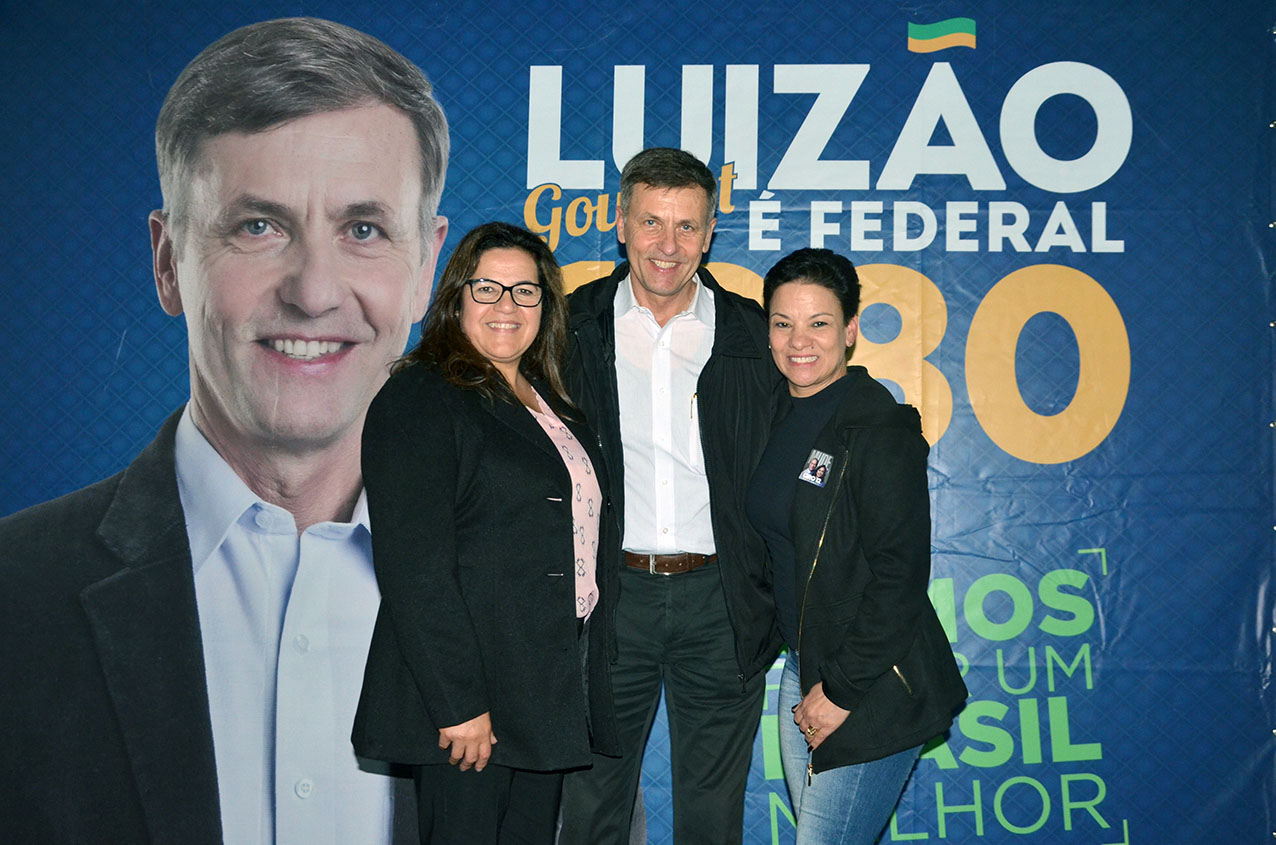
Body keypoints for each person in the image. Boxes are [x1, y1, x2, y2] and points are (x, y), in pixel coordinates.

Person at [0, 18, 448, 844]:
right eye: (258, 227)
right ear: (168, 262)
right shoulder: (14, 601)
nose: (314, 292)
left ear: (425, 267)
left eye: (363, 230)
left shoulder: (535, 600)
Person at [352, 222, 621, 844]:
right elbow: (414, 570)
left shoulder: (549, 399)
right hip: (473, 701)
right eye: (488, 288)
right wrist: (459, 705)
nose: (507, 306)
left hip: (542, 689)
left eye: (526, 291)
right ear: (456, 297)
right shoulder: (421, 396)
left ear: (545, 306)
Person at [558, 148, 781, 844]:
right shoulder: (567, 328)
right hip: (607, 599)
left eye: (687, 226)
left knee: (713, 816)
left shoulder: (754, 335)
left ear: (710, 233)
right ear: (621, 223)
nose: (668, 245)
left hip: (721, 602)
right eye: (652, 221)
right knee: (592, 808)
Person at [744, 248, 967, 844]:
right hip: (803, 668)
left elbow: (899, 578)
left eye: (819, 323)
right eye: (783, 323)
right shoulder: (772, 416)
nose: (799, 341)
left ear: (849, 331)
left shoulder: (879, 428)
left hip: (868, 681)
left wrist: (840, 691)